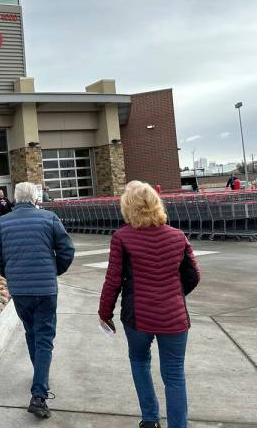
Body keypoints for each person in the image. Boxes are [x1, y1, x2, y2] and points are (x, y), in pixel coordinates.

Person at [98, 181, 200, 428]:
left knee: (139, 361)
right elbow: (193, 275)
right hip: (174, 317)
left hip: (138, 318)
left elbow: (113, 279)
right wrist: (174, 294)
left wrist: (104, 312)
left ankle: (150, 418)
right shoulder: (178, 236)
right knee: (174, 374)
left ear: (128, 207)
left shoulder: (122, 237)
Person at [0, 182, 75, 419]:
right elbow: (67, 249)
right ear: (36, 198)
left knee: (31, 332)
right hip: (45, 289)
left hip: (20, 290)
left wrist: (11, 274)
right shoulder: (49, 218)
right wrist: (54, 270)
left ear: (15, 199)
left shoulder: (1, 223)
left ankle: (40, 376)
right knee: (44, 337)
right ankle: (39, 394)